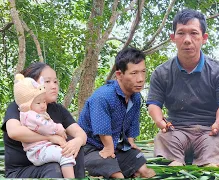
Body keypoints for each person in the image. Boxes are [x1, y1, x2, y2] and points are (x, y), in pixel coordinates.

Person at [147, 9, 219, 167]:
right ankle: (174, 163)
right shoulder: (161, 73)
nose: (187, 40)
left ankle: (210, 163)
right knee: (163, 138)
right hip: (176, 130)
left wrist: (218, 123)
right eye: (181, 33)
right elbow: (154, 103)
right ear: (173, 38)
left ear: (204, 38)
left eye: (194, 33)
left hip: (211, 131)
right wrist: (160, 121)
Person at [78, 48, 156, 179]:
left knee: (144, 170)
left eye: (143, 72)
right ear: (119, 74)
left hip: (116, 147)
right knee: (117, 175)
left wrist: (130, 142)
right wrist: (108, 148)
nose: (141, 79)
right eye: (134, 73)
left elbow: (132, 123)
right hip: (89, 148)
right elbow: (102, 130)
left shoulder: (136, 97)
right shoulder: (103, 97)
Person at [2, 62, 87, 178]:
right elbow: (14, 132)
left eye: (55, 81)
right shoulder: (20, 107)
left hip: (51, 161)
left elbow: (80, 133)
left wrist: (77, 141)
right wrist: (50, 137)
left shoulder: (58, 109)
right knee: (53, 167)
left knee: (73, 144)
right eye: (47, 81)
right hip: (21, 171)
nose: (54, 86)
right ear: (32, 84)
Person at [13, 73, 75, 178]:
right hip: (38, 151)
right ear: (27, 104)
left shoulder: (35, 113)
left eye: (44, 102)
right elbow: (46, 127)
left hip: (42, 148)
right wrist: (59, 129)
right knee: (66, 155)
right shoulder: (31, 116)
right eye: (38, 103)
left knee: (67, 152)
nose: (43, 105)